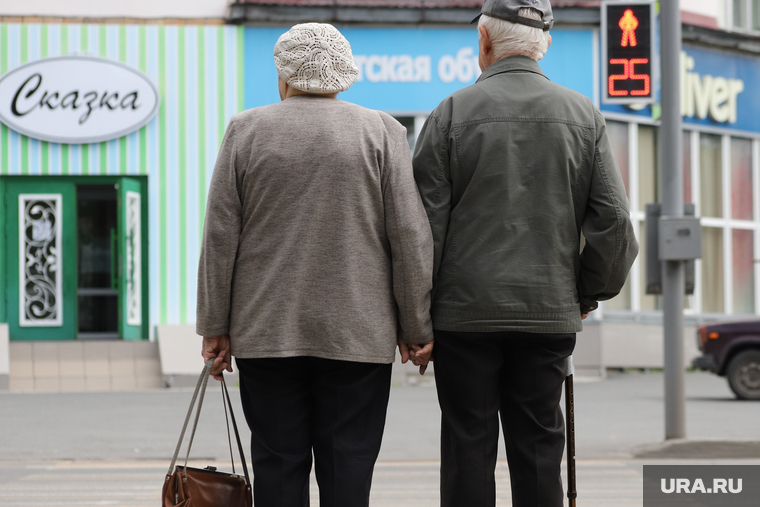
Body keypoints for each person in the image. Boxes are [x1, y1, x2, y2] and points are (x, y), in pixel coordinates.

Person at [196, 23, 434, 507]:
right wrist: (416, 324)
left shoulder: (245, 130)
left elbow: (221, 234)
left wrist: (214, 326)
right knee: (348, 471)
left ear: (283, 76)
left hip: (266, 333)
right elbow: (409, 235)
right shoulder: (383, 132)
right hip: (358, 335)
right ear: (344, 77)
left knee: (278, 471)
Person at [412, 1, 639, 506]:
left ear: (485, 44)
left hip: (464, 317)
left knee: (467, 444)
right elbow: (614, 223)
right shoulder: (583, 115)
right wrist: (586, 291)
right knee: (539, 446)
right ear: (545, 46)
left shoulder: (450, 113)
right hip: (547, 312)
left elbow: (423, 228)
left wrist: (416, 318)